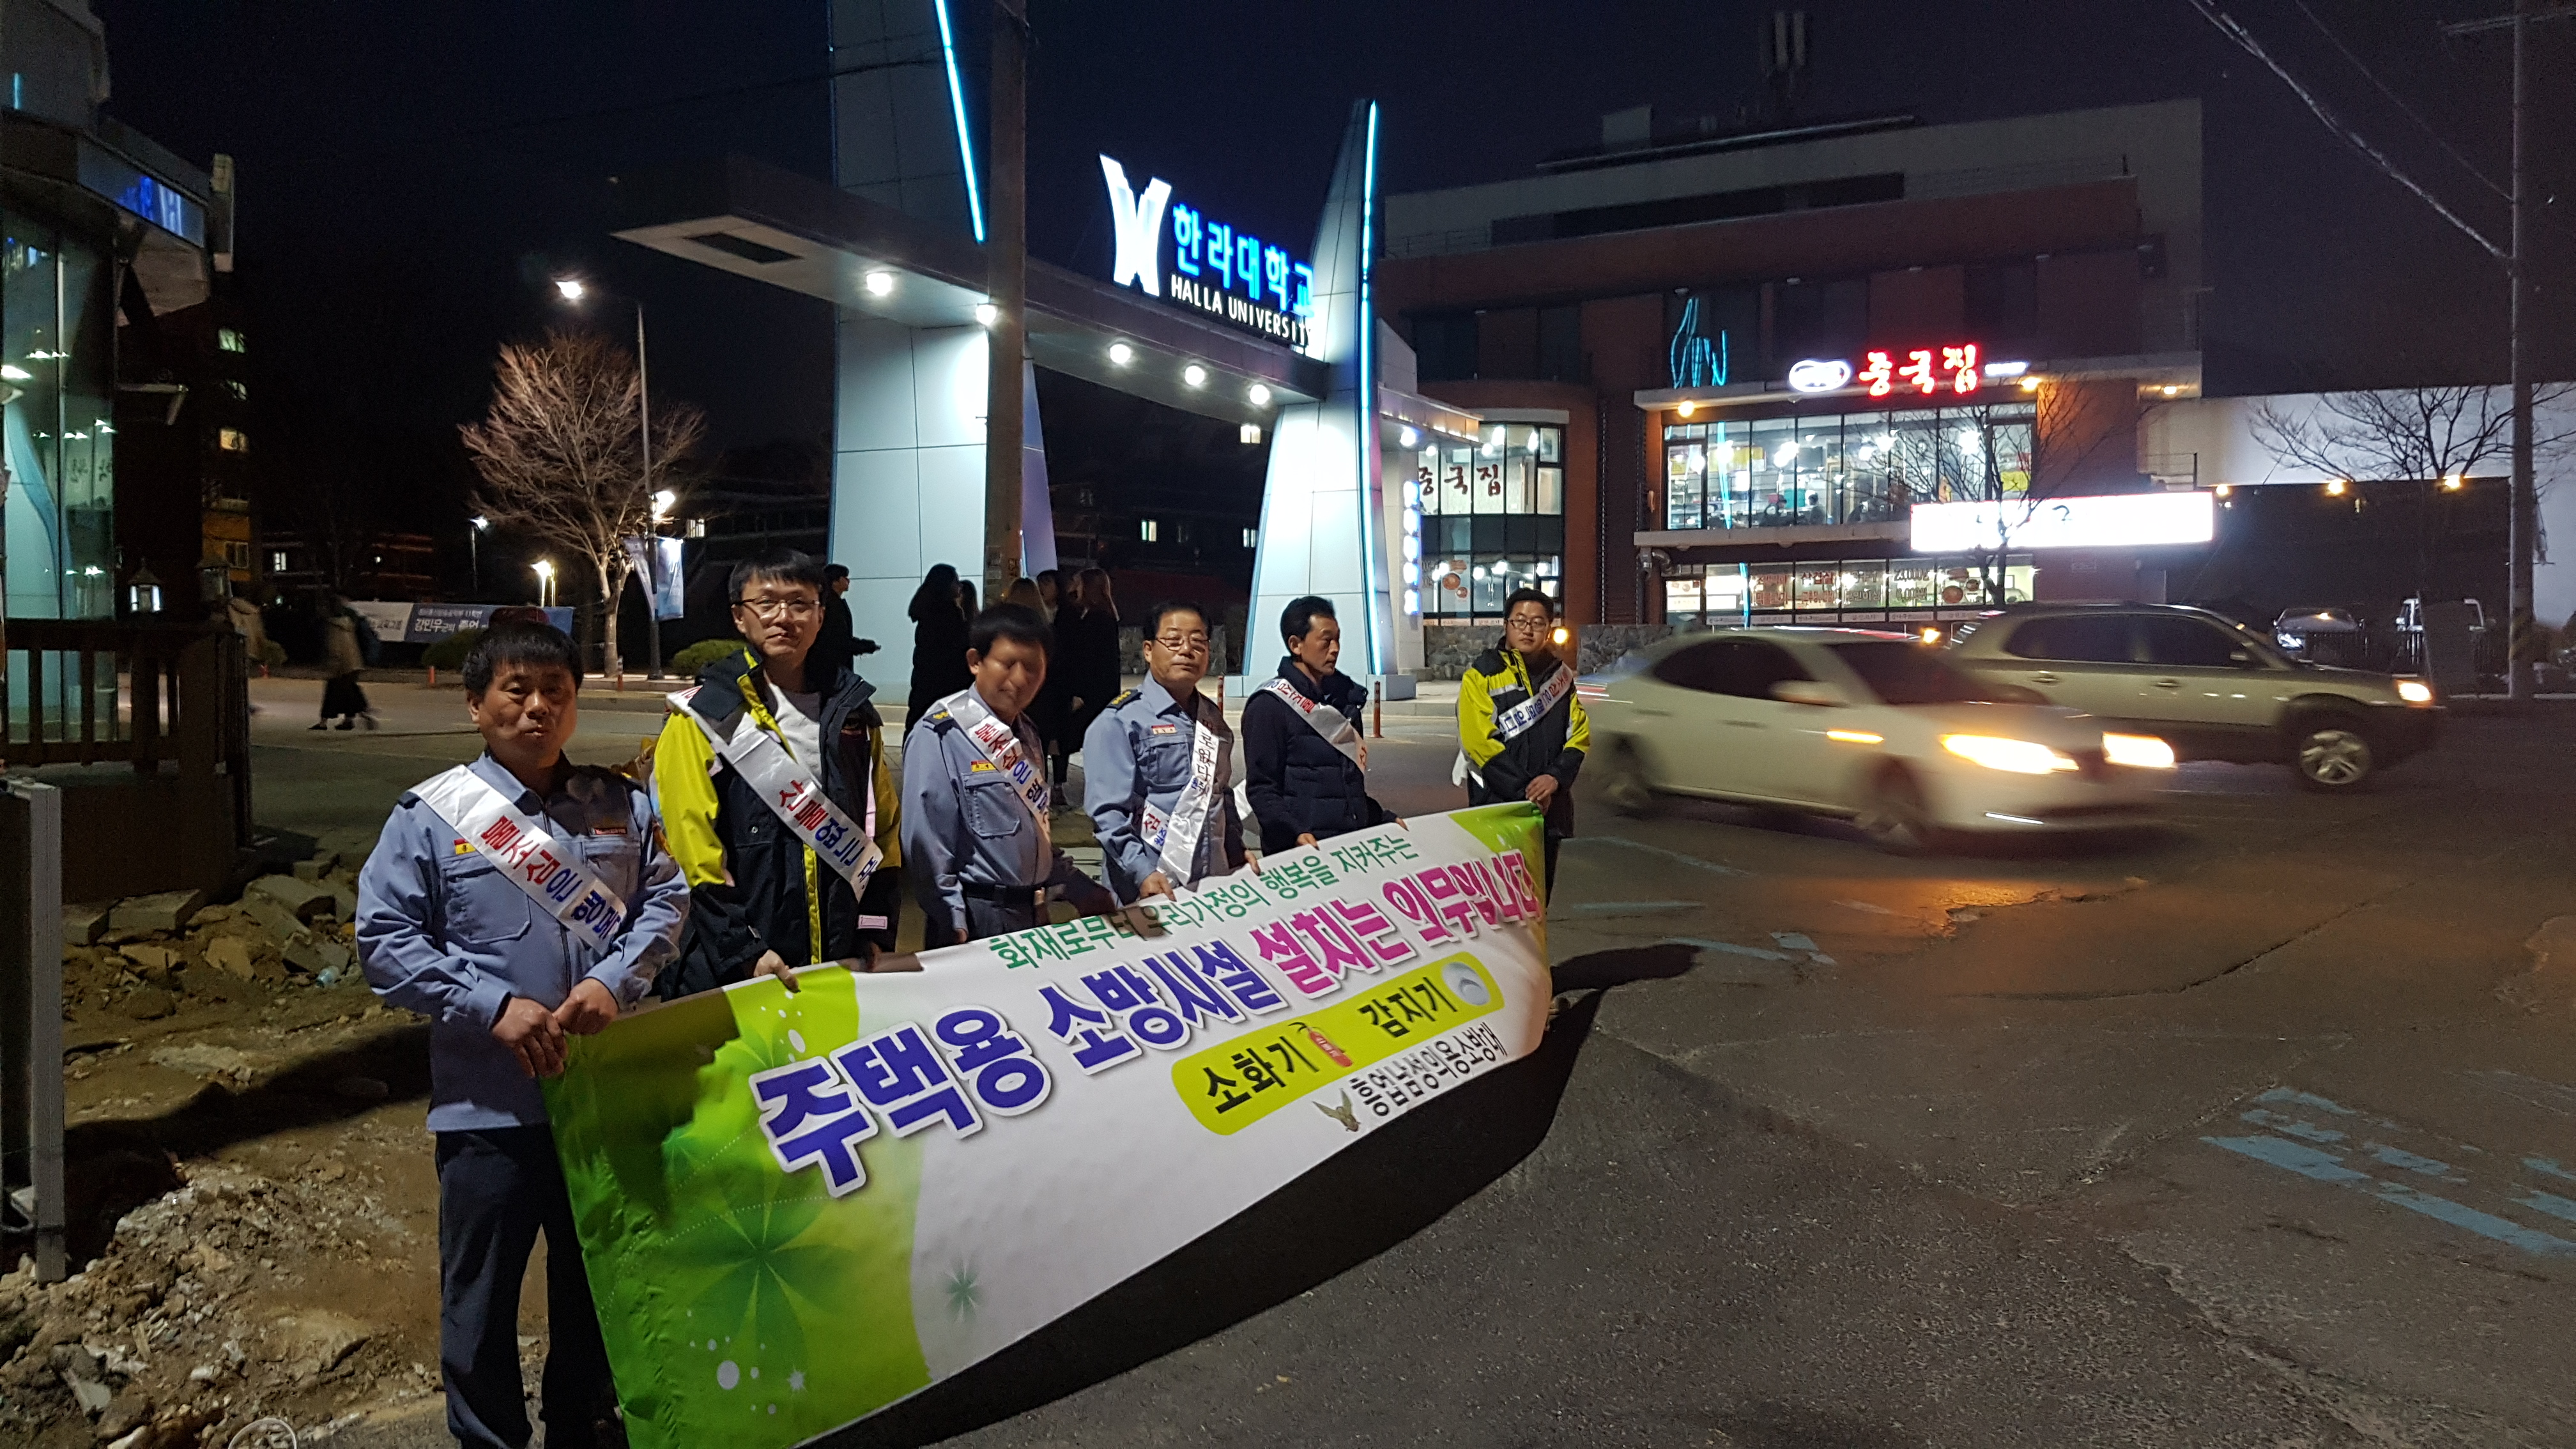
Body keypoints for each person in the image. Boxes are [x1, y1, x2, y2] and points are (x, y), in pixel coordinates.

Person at [354, 620, 687, 1449]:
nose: (538, 707)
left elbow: (666, 902)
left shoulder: (621, 805)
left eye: (555, 692)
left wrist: (614, 981)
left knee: (597, 1286)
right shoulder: (432, 818)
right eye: (517, 690)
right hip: (488, 1110)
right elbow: (385, 941)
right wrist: (489, 1003)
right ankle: (488, 1438)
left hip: (599, 1100)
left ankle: (583, 1423)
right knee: (481, 1300)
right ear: (476, 705)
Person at [653, 549, 902, 997]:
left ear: (821, 616)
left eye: (800, 604)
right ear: (739, 616)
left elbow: (881, 832)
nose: (784, 617)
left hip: (838, 956)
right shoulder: (701, 718)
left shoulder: (855, 717)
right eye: (766, 603)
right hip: (733, 968)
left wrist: (874, 929)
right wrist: (744, 950)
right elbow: (691, 852)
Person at [903, 604, 1116, 945]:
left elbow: (1035, 831)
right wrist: (952, 919)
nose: (1019, 679)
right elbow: (927, 844)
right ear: (975, 661)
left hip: (1033, 914)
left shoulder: (1027, 734)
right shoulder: (941, 735)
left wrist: (1077, 886)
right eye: (1008, 664)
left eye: (1032, 668)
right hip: (977, 916)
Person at [1086, 600, 1249, 901]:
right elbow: (1108, 813)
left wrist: (1236, 849)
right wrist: (1142, 871)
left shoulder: (1212, 718)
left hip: (1212, 882)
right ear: (1148, 650)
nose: (1186, 650)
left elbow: (1220, 795)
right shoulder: (1120, 721)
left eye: (1198, 642)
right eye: (1173, 641)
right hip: (1151, 886)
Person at [1458, 587, 1590, 896]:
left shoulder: (1561, 676)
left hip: (1550, 809)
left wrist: (1554, 778)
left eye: (1538, 623)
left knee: (1539, 899)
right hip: (1499, 808)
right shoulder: (1481, 675)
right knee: (1501, 902)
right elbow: (1480, 743)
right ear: (1506, 624)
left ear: (1549, 628)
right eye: (1520, 621)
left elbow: (1579, 735)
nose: (1528, 629)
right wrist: (1526, 794)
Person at [1243, 595, 1386, 853]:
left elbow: (1349, 785)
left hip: (1350, 847)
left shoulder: (1346, 702)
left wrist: (1380, 818)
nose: (1335, 649)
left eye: (1338, 639)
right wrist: (1293, 833)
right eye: (1326, 640)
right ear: (1296, 645)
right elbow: (1262, 789)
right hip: (1301, 852)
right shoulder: (1269, 705)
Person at [907, 564, 972, 724]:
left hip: (925, 686)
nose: (959, 585)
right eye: (956, 581)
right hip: (945, 688)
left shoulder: (926, 614)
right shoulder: (949, 615)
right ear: (946, 585)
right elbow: (957, 653)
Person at [1036, 571, 1084, 787]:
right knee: (1042, 734)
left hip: (1062, 684)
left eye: (1047, 583)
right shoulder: (1036, 613)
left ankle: (1059, 784)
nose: (1042, 588)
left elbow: (1076, 654)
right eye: (1040, 584)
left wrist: (1077, 690)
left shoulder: (1069, 615)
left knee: (1061, 735)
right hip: (1041, 684)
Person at [316, 595, 376, 731]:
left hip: (341, 665)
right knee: (349, 691)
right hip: (354, 663)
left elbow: (335, 648)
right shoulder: (349, 623)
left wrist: (332, 665)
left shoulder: (333, 625)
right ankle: (351, 718)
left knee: (333, 692)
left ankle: (325, 722)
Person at [812, 563, 859, 682]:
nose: (848, 581)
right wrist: (863, 646)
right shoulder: (831, 606)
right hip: (831, 666)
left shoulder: (831, 602)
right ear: (835, 581)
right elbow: (837, 639)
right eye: (845, 577)